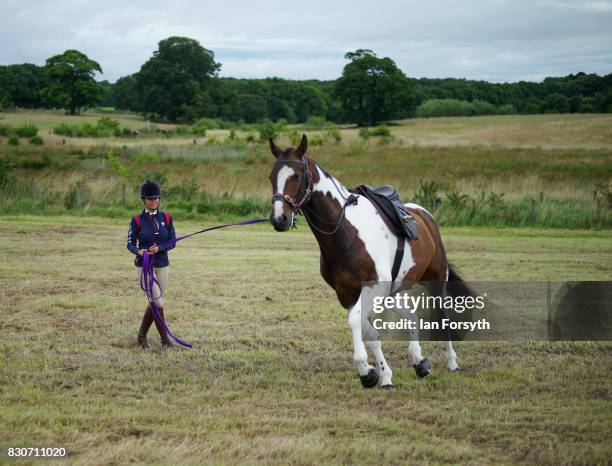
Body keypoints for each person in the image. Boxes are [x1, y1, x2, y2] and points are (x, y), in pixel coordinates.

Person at [127, 180, 177, 349]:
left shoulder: (167, 218)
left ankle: (141, 335)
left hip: (162, 264)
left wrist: (160, 248)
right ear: (144, 200)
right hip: (144, 265)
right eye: (150, 199)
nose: (154, 201)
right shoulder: (137, 219)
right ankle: (165, 340)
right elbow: (130, 243)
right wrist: (138, 251)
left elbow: (172, 242)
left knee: (155, 301)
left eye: (156, 198)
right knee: (159, 302)